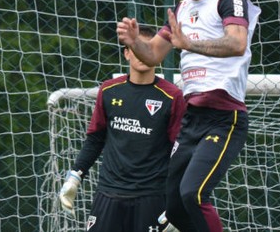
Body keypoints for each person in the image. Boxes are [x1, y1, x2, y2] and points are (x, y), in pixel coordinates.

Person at [116, 0, 261, 232]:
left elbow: (236, 42)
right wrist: (135, 42)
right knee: (173, 205)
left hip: (224, 117)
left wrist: (189, 44)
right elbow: (154, 53)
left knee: (193, 194)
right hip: (192, 118)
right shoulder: (182, 9)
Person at [58, 26, 187, 232]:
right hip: (109, 195)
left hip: (152, 198)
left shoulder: (172, 96)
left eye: (148, 48)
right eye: (136, 47)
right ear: (127, 53)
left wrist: (176, 201)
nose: (141, 54)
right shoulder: (109, 90)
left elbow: (179, 152)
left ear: (159, 54)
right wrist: (75, 176)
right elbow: (95, 139)